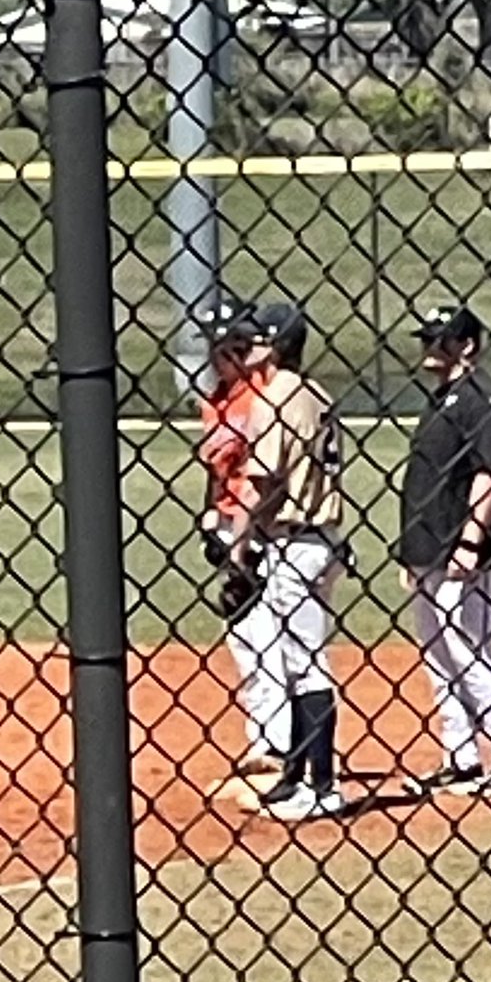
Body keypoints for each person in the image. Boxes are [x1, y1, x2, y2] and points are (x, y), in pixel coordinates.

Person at [396, 304, 491, 796]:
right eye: (427, 337)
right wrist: (415, 554)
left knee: (470, 646)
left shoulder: (483, 401)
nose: (429, 346)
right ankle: (462, 756)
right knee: (439, 653)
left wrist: (471, 542)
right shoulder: (443, 398)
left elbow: (488, 472)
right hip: (431, 547)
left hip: (470, 550)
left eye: (441, 338)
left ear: (467, 345)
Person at [230, 302, 348, 821]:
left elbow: (260, 482)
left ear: (277, 345)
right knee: (299, 662)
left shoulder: (276, 396)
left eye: (256, 339)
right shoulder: (318, 393)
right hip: (319, 538)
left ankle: (321, 786)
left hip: (296, 543)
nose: (247, 345)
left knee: (305, 665)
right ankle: (297, 776)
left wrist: (238, 545)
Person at [197, 301, 290, 776]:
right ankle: (263, 736)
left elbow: (270, 475)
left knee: (268, 636)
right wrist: (210, 518)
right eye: (216, 347)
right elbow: (217, 474)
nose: (219, 356)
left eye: (228, 347)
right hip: (230, 525)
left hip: (262, 528)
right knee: (244, 638)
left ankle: (278, 742)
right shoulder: (213, 400)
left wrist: (247, 536)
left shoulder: (263, 398)